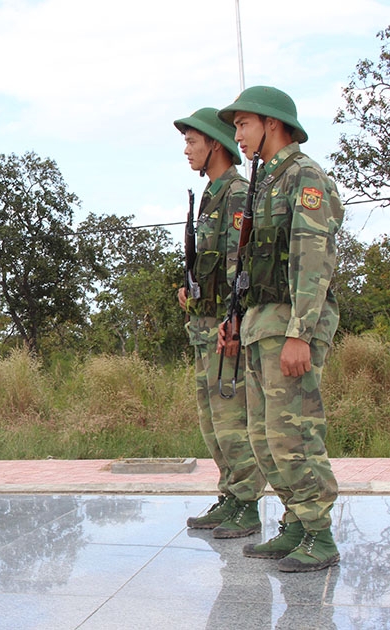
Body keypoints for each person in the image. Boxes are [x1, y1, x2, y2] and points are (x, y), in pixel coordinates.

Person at [217, 86, 343, 572]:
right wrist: (235, 317)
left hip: (291, 323)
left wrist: (300, 333)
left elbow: (314, 260)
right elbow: (252, 263)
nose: (238, 135)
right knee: (264, 435)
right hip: (259, 322)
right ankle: (295, 523)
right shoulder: (265, 183)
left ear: (271, 123)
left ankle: (319, 533)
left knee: (295, 433)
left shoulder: (304, 176)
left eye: (243, 124)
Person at [174, 107, 266, 538]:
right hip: (203, 327)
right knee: (212, 425)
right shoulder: (210, 196)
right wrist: (189, 289)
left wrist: (234, 322)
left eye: (193, 141)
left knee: (233, 423)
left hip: (225, 331)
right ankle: (230, 495)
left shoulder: (235, 195)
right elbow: (210, 267)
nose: (187, 150)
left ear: (215, 143)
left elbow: (240, 267)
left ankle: (247, 504)